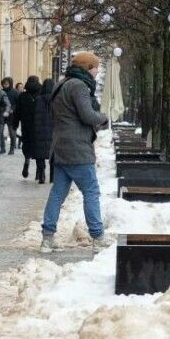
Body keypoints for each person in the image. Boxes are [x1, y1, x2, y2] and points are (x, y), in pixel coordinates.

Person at [41, 52, 111, 251]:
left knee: (57, 194)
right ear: (88, 67)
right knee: (91, 191)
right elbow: (87, 115)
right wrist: (103, 117)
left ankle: (47, 237)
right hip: (77, 149)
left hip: (60, 147)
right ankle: (97, 236)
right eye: (96, 67)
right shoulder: (79, 86)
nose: (97, 71)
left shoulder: (61, 84)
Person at [17, 76, 48, 183]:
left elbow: (17, 112)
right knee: (39, 149)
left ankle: (26, 160)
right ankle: (40, 172)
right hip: (39, 126)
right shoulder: (41, 95)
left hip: (26, 126)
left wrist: (15, 124)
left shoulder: (22, 96)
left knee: (27, 145)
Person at [1, 76, 16, 154]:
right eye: (3, 84)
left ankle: (12, 149)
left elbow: (17, 103)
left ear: (10, 84)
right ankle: (2, 148)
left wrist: (12, 109)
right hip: (2, 114)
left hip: (11, 115)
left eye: (6, 84)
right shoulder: (1, 92)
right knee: (0, 132)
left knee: (12, 133)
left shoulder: (14, 92)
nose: (5, 85)